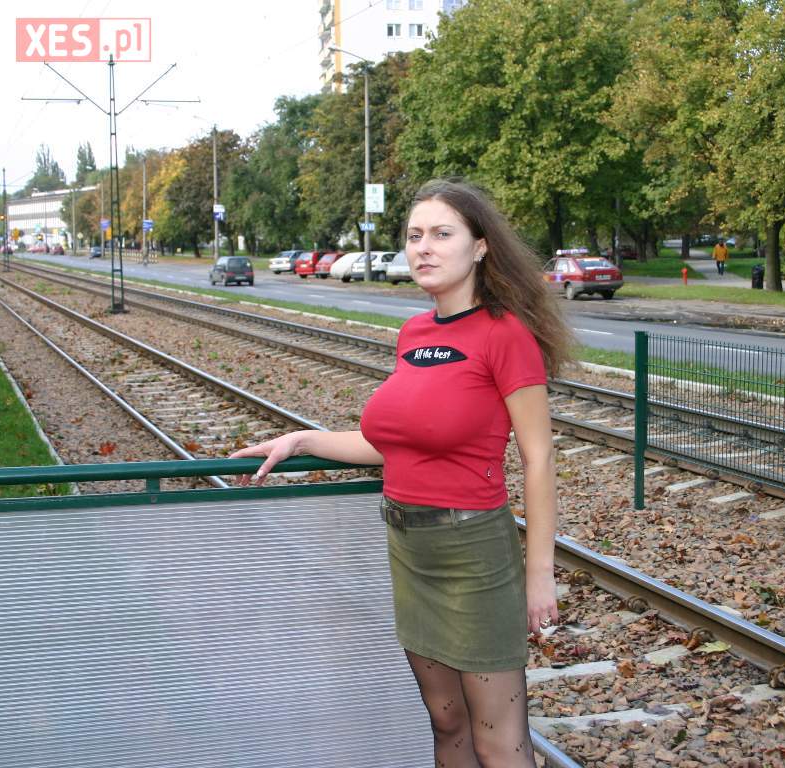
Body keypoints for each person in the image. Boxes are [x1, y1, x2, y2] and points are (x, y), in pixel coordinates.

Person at [231, 179, 572, 767]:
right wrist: (302, 440)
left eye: (442, 234)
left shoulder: (504, 334)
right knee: (447, 724)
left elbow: (538, 457)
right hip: (410, 549)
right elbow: (392, 443)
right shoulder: (415, 334)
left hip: (473, 553)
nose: (424, 248)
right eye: (415, 236)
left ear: (480, 247)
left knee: (498, 741)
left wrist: (539, 575)